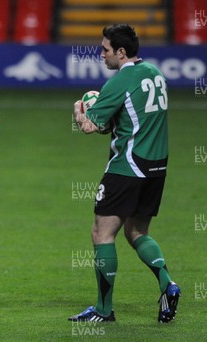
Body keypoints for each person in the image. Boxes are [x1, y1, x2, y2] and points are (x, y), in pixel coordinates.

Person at [69, 24, 181, 323]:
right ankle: (167, 284)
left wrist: (80, 111)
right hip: (156, 168)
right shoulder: (155, 73)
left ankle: (104, 310)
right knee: (137, 232)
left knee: (102, 233)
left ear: (121, 52)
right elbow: (131, 118)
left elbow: (90, 126)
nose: (101, 54)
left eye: (105, 49)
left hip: (127, 167)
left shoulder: (119, 81)